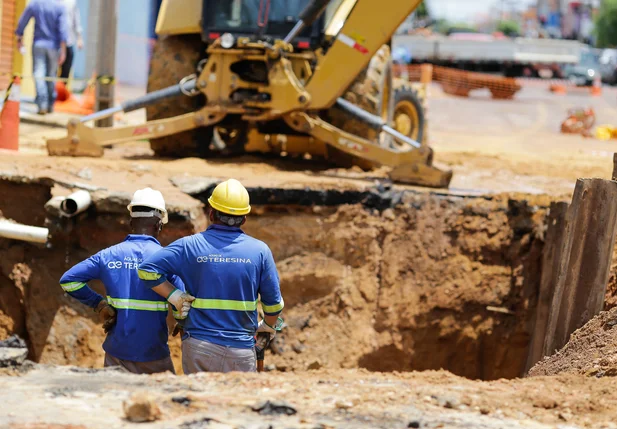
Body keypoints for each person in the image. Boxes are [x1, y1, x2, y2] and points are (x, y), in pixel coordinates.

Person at [138, 178, 284, 374]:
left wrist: (175, 297)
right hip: (241, 350)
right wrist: (268, 326)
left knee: (198, 400)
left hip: (199, 346)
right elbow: (273, 304)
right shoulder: (260, 251)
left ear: (211, 213)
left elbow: (147, 270)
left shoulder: (189, 245)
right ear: (245, 218)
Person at [58, 188, 187, 374]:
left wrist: (99, 304)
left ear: (130, 222)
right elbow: (181, 303)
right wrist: (181, 321)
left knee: (115, 400)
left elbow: (69, 281)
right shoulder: (167, 259)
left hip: (116, 355)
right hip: (154, 355)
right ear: (159, 225)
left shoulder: (108, 255)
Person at [15, 0, 68, 115]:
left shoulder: (36, 3)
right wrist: (63, 50)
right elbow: (63, 29)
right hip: (54, 46)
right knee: (51, 75)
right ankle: (50, 104)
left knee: (39, 74)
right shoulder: (59, 6)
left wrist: (19, 37)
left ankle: (42, 104)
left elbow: (24, 19)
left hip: (38, 44)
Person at [58, 0, 84, 80]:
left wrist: (79, 38)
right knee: (52, 72)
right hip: (54, 44)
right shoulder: (52, 2)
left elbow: (76, 20)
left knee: (66, 71)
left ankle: (61, 90)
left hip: (68, 42)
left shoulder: (71, 2)